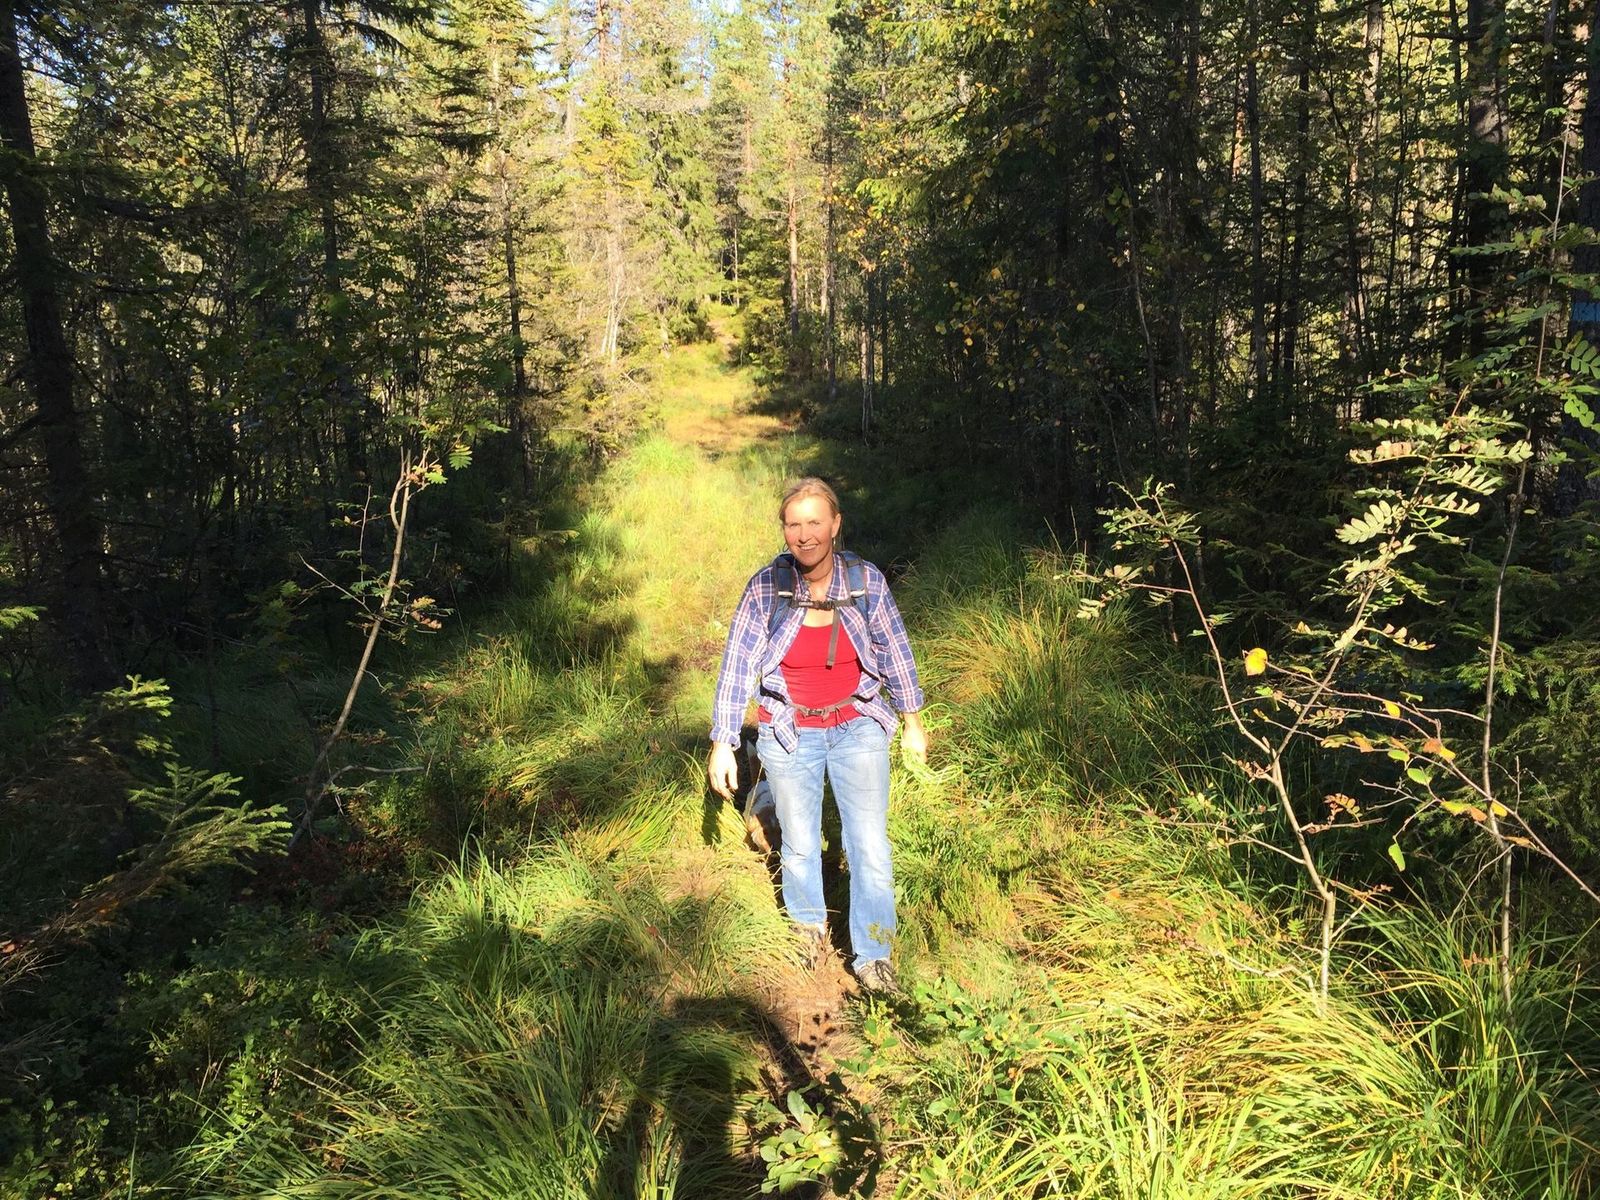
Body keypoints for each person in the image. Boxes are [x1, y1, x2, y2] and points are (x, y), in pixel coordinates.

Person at [707, 477, 928, 993]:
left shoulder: (865, 581)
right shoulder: (767, 588)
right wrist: (723, 741)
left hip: (858, 725)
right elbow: (738, 663)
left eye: (814, 522)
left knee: (869, 844)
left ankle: (874, 955)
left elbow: (895, 650)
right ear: (783, 530)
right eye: (794, 524)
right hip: (790, 730)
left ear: (835, 525)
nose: (804, 535)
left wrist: (913, 722)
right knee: (802, 842)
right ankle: (808, 930)